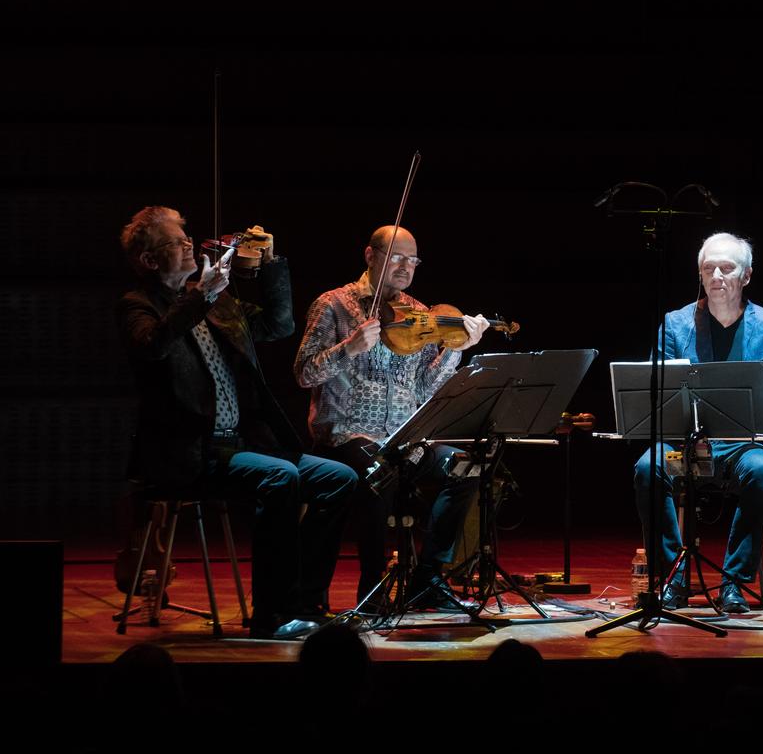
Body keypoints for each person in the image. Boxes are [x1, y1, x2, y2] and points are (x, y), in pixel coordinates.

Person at [117, 207, 358, 639]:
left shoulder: (216, 302)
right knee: (281, 477)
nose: (190, 244)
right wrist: (201, 296)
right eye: (176, 241)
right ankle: (271, 615)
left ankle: (303, 599)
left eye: (186, 236)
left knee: (339, 477)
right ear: (151, 260)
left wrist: (272, 265)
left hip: (240, 444)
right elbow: (152, 346)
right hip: (188, 454)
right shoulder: (139, 305)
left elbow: (278, 325)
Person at [294, 225, 489, 611]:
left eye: (412, 260)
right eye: (396, 257)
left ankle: (427, 577)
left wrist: (456, 349)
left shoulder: (418, 314)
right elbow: (303, 373)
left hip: (403, 439)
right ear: (370, 256)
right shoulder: (332, 304)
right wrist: (348, 348)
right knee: (379, 473)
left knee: (467, 467)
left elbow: (424, 388)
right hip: (346, 437)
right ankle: (372, 590)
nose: (405, 267)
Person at [633, 232, 763, 613]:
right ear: (700, 275)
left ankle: (734, 584)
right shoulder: (676, 324)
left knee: (761, 471)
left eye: (728, 268)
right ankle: (673, 576)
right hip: (683, 445)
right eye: (709, 268)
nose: (717, 275)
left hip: (745, 443)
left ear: (747, 276)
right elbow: (653, 392)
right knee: (648, 467)